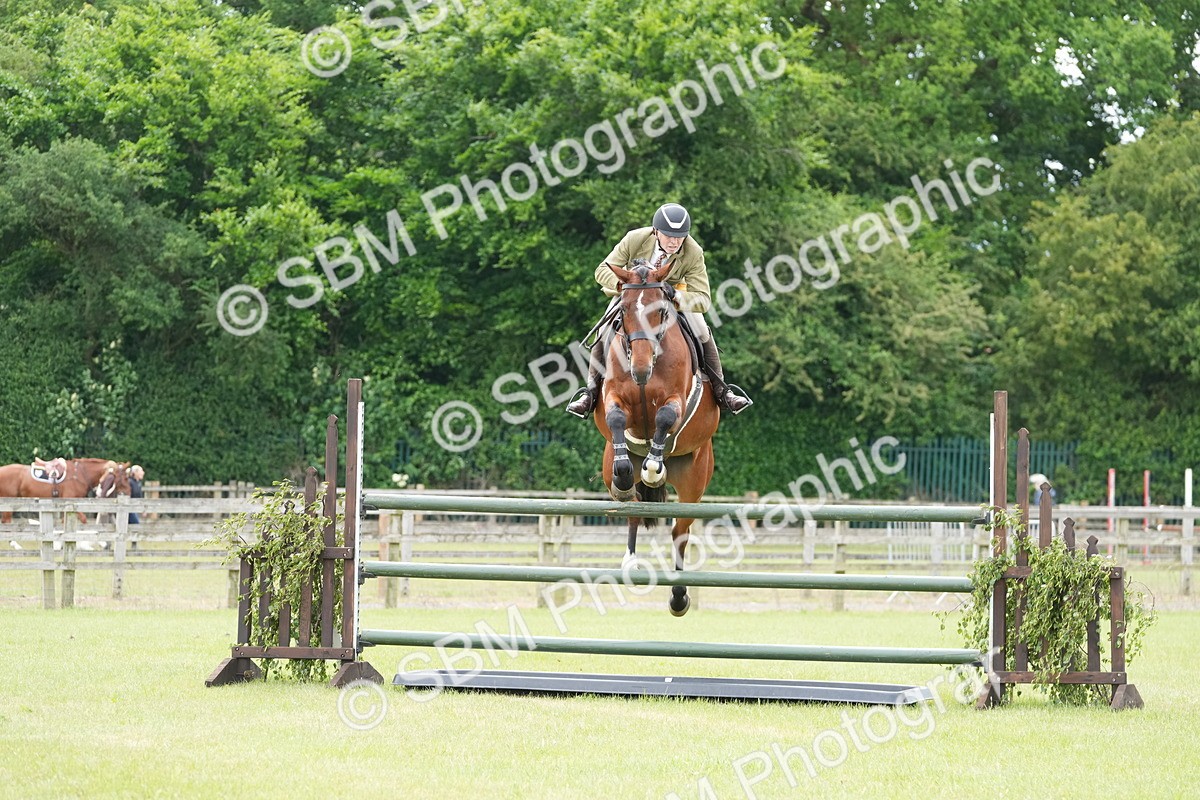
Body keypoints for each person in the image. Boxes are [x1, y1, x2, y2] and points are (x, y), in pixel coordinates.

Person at [566, 203, 753, 418]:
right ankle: (589, 393)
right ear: (656, 232)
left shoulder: (693, 252)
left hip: (672, 297)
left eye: (680, 236)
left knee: (701, 329)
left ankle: (722, 391)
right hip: (633, 295)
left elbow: (703, 299)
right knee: (603, 329)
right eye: (668, 235)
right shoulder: (635, 238)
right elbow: (601, 270)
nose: (674, 241)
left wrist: (675, 295)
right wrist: (622, 287)